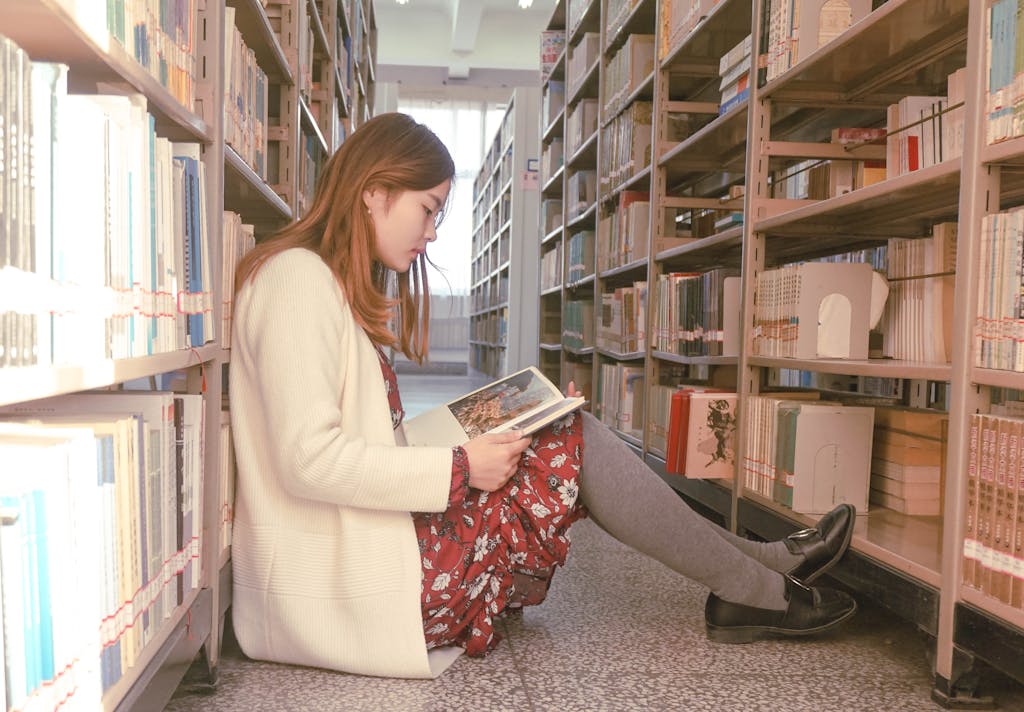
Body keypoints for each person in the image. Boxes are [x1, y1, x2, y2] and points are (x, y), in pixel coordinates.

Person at [229, 112, 858, 680]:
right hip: (358, 587)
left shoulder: (319, 280)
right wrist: (460, 466)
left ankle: (759, 568)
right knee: (572, 440)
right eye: (427, 208)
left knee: (555, 426)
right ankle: (756, 582)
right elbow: (308, 459)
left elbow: (365, 445)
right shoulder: (297, 281)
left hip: (374, 558)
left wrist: (487, 427)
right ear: (374, 192)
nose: (432, 232)